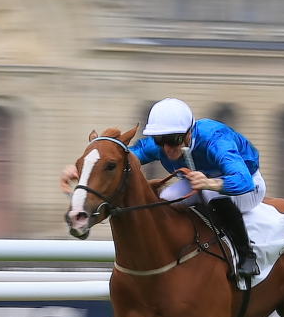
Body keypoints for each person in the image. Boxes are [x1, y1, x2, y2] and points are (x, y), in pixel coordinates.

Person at [62, 98, 264, 281]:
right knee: (167, 197)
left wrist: (210, 183)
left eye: (173, 140)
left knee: (212, 195)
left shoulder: (215, 139)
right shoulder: (160, 145)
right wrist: (83, 169)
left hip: (247, 186)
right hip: (198, 180)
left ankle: (246, 256)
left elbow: (243, 181)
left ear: (189, 133)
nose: (167, 148)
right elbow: (118, 158)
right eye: (160, 141)